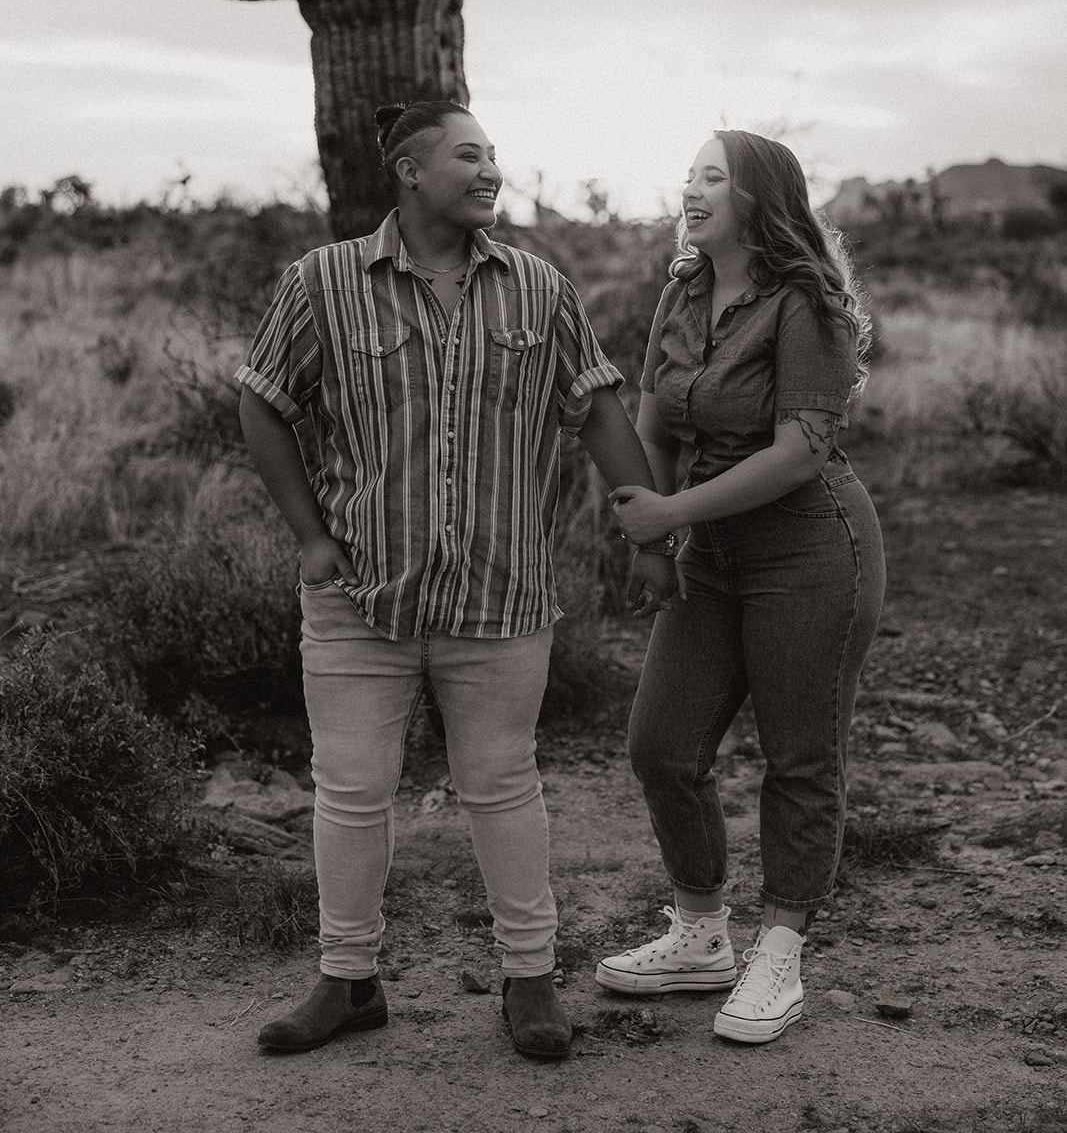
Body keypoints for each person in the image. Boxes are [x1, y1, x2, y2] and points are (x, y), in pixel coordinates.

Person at [236, 100, 674, 1059]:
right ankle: (346, 982)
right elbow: (262, 406)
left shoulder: (537, 289)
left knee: (501, 785)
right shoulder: (323, 284)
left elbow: (595, 409)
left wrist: (646, 526)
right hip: (361, 595)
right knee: (350, 791)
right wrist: (309, 535)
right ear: (407, 169)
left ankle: (530, 982)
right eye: (469, 156)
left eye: (494, 157)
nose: (490, 172)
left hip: (497, 594)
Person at [595, 128, 885, 1045]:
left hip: (809, 551)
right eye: (686, 173)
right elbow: (654, 422)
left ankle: (781, 952)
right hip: (711, 558)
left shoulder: (807, 304)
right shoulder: (680, 292)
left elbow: (800, 454)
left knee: (799, 760)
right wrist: (653, 539)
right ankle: (699, 934)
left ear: (758, 199)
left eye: (711, 176)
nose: (689, 188)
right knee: (660, 745)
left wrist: (671, 517)